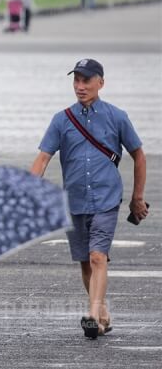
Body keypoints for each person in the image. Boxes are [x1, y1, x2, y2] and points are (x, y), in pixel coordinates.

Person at [30, 58, 147, 339]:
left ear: (100, 83)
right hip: (74, 201)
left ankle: (92, 315)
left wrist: (137, 197)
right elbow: (43, 157)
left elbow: (138, 155)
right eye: (76, 81)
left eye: (86, 80)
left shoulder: (117, 116)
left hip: (107, 197)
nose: (80, 86)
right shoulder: (61, 119)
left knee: (97, 257)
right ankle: (103, 313)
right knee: (85, 261)